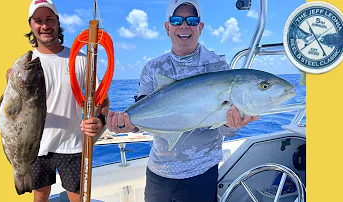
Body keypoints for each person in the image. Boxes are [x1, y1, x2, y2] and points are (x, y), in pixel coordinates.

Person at [106, 0, 259, 201]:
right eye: (177, 20)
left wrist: (234, 125)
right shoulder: (154, 68)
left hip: (201, 172)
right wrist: (126, 124)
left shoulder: (217, 66)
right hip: (159, 172)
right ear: (167, 28)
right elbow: (141, 119)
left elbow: (224, 128)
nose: (184, 25)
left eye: (192, 20)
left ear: (200, 27)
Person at [6, 0, 109, 201]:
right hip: (36, 146)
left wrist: (100, 120)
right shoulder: (23, 66)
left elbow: (102, 101)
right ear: (31, 25)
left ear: (57, 22)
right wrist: (8, 82)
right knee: (40, 197)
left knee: (78, 198)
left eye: (49, 19)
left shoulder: (80, 58)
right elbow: (11, 112)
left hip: (73, 145)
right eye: (38, 20)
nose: (44, 25)